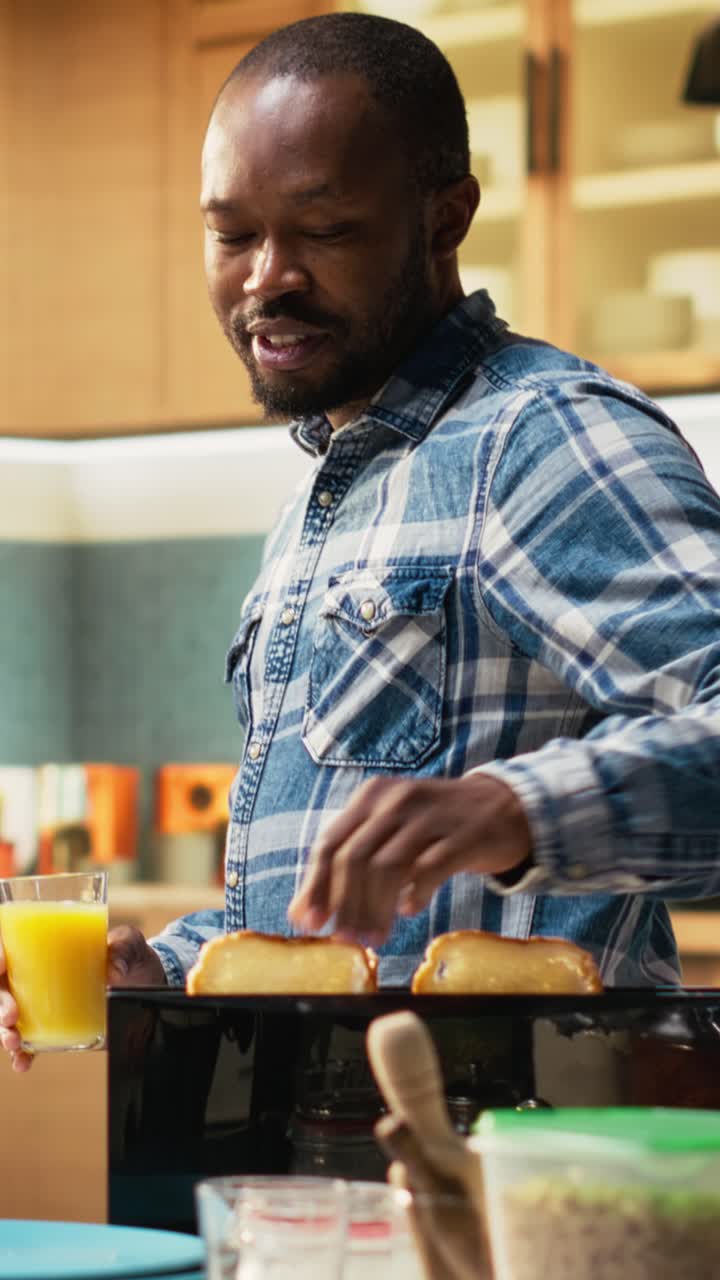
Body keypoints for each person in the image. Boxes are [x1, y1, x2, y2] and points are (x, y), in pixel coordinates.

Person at [3, 11, 720, 1070]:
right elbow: (321, 927)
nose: (267, 277)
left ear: (444, 219)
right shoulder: (322, 507)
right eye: (233, 233)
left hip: (517, 1147)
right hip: (328, 1147)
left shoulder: (541, 436)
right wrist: (166, 973)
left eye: (322, 229)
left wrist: (508, 808)